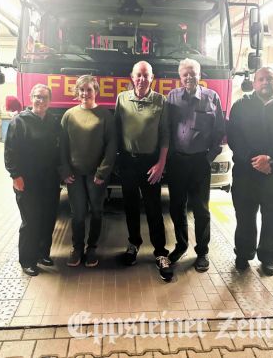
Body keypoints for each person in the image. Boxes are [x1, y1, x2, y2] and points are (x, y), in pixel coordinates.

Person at [227, 66, 273, 276]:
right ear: (254, 82)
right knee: (245, 217)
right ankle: (243, 253)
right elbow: (234, 137)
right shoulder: (241, 105)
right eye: (261, 79)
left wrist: (270, 159)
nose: (265, 83)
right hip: (245, 174)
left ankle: (268, 258)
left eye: (269, 79)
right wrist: (255, 160)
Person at [115, 61, 173, 282]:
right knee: (130, 206)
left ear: (152, 78)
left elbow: (166, 136)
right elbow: (116, 131)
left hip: (151, 163)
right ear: (132, 77)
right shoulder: (121, 99)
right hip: (128, 162)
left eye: (145, 76)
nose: (141, 79)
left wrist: (161, 164)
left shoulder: (161, 101)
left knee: (153, 208)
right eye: (138, 75)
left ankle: (160, 252)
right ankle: (133, 244)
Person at [167, 58, 225, 272]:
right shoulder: (172, 97)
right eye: (185, 74)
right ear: (180, 77)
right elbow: (166, 128)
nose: (189, 77)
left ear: (200, 75)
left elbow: (219, 130)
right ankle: (181, 245)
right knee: (176, 207)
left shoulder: (212, 98)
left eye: (193, 73)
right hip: (178, 163)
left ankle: (202, 252)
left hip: (200, 162)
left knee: (201, 209)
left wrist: (208, 158)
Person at [4, 84, 60, 277]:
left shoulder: (53, 122)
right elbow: (10, 152)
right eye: (37, 97)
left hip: (49, 181)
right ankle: (27, 260)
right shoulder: (19, 122)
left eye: (44, 98)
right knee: (31, 220)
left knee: (48, 218)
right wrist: (15, 176)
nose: (40, 101)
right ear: (30, 98)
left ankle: (43, 254)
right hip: (27, 181)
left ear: (49, 101)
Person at [60, 75, 116, 268]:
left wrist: (102, 173)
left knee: (97, 212)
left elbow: (111, 146)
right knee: (77, 214)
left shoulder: (105, 116)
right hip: (74, 175)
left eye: (89, 89)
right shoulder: (69, 115)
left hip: (96, 176)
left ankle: (91, 248)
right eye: (82, 90)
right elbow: (62, 146)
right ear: (77, 92)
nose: (85, 93)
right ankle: (77, 248)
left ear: (96, 91)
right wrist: (64, 169)